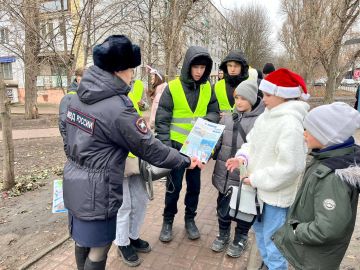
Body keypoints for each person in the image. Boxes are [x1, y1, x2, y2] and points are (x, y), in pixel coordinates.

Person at [59, 35, 200, 270]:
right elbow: (150, 148)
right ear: (118, 70)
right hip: (99, 190)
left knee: (82, 238)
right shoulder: (118, 107)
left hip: (74, 181)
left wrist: (79, 158)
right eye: (131, 70)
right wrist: (184, 160)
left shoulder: (73, 98)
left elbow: (65, 129)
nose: (133, 76)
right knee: (100, 246)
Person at [226, 68, 310, 270]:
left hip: (274, 196)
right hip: (258, 191)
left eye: (268, 94)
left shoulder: (290, 123)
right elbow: (252, 142)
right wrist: (242, 158)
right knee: (262, 236)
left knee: (274, 245)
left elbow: (290, 167)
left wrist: (256, 179)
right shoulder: (267, 115)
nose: (263, 99)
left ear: (284, 95)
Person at [273, 102, 360, 270]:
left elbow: (328, 228)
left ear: (326, 136)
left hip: (315, 259)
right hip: (313, 253)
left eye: (310, 130)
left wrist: (296, 230)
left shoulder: (332, 177)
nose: (304, 134)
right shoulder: (326, 158)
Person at [156, 46, 220, 242]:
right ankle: (167, 221)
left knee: (194, 187)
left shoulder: (207, 87)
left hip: (197, 148)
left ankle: (190, 220)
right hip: (176, 148)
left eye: (202, 67)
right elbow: (162, 121)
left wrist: (206, 122)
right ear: (188, 66)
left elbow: (214, 112)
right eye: (196, 67)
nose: (199, 71)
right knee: (173, 187)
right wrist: (166, 149)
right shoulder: (172, 87)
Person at [211, 79, 265, 257]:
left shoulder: (261, 121)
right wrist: (207, 152)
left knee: (244, 208)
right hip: (224, 171)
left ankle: (241, 237)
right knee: (223, 206)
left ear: (251, 99)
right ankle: (223, 234)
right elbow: (218, 141)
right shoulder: (227, 118)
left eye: (243, 98)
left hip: (244, 174)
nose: (239, 102)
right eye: (236, 98)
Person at [214, 50, 250, 115]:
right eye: (230, 66)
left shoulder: (249, 85)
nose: (232, 69)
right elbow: (212, 109)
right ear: (226, 67)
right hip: (221, 123)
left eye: (236, 66)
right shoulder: (217, 85)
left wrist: (231, 116)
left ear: (242, 67)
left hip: (242, 124)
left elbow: (254, 111)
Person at [58, 67, 84, 149]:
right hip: (75, 146)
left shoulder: (88, 95)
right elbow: (63, 124)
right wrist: (68, 147)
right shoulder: (68, 98)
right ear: (78, 79)